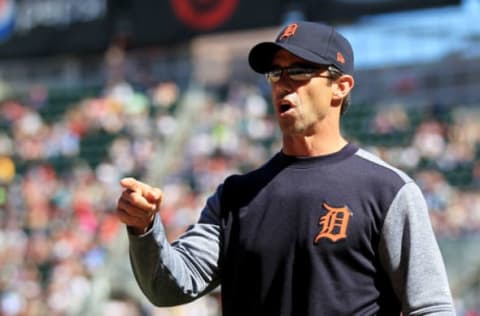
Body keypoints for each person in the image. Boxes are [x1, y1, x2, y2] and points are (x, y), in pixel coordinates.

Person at [116, 21, 455, 315]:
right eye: (276, 72)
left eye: (300, 70)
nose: (283, 82)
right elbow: (169, 286)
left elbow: (430, 307)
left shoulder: (387, 190)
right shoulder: (236, 197)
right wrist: (144, 229)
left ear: (341, 87)